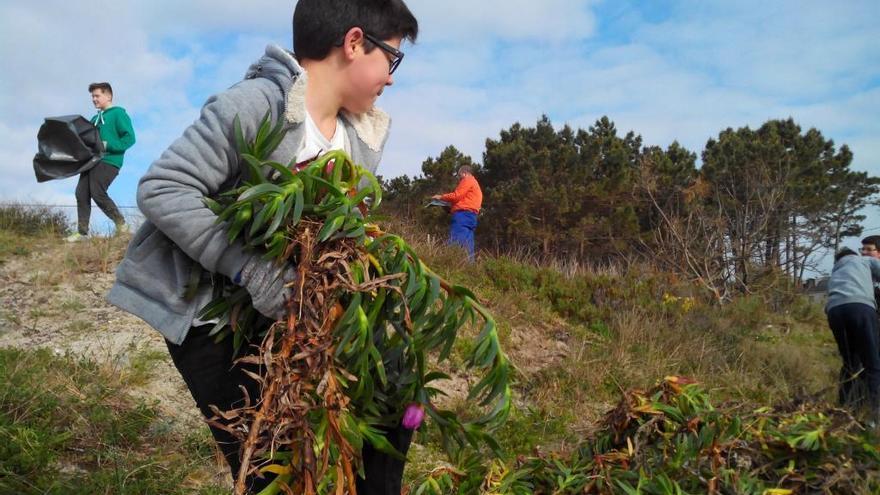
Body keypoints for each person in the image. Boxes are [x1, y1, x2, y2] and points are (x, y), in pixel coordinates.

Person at [106, 1, 418, 492]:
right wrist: (250, 270)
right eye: (393, 59)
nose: (392, 78)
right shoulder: (259, 103)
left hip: (289, 318)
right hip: (209, 317)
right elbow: (164, 188)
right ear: (355, 43)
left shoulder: (360, 138)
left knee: (394, 386)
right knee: (271, 464)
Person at [66, 82, 135, 242]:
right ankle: (82, 233)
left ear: (108, 96)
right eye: (92, 96)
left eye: (97, 95)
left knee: (97, 192)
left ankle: (122, 225)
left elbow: (130, 138)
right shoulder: (93, 119)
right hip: (91, 162)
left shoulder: (118, 114)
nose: (94, 99)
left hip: (110, 160)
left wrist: (107, 145)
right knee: (81, 193)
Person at [826, 247, 880, 424]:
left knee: (850, 363)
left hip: (834, 311)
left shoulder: (836, 271)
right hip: (860, 307)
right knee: (872, 363)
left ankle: (844, 409)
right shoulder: (864, 261)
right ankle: (873, 415)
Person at [432, 165, 482, 261]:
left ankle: (448, 263)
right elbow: (466, 201)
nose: (460, 179)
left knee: (454, 242)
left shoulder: (467, 180)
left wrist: (441, 197)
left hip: (462, 215)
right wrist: (450, 208)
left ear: (464, 173)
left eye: (460, 176)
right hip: (472, 217)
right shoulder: (476, 184)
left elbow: (456, 196)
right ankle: (470, 267)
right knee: (468, 246)